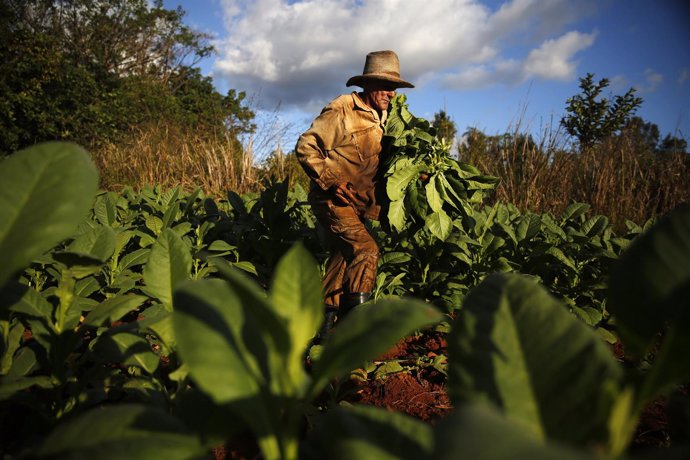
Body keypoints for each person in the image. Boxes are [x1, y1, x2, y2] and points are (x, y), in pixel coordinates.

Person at [295, 50, 414, 332]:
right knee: (366, 249)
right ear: (368, 84)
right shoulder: (343, 110)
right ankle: (353, 330)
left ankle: (322, 330)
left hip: (359, 206)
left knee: (341, 258)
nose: (391, 94)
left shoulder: (388, 118)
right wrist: (332, 182)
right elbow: (306, 147)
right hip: (332, 199)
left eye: (394, 88)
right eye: (386, 86)